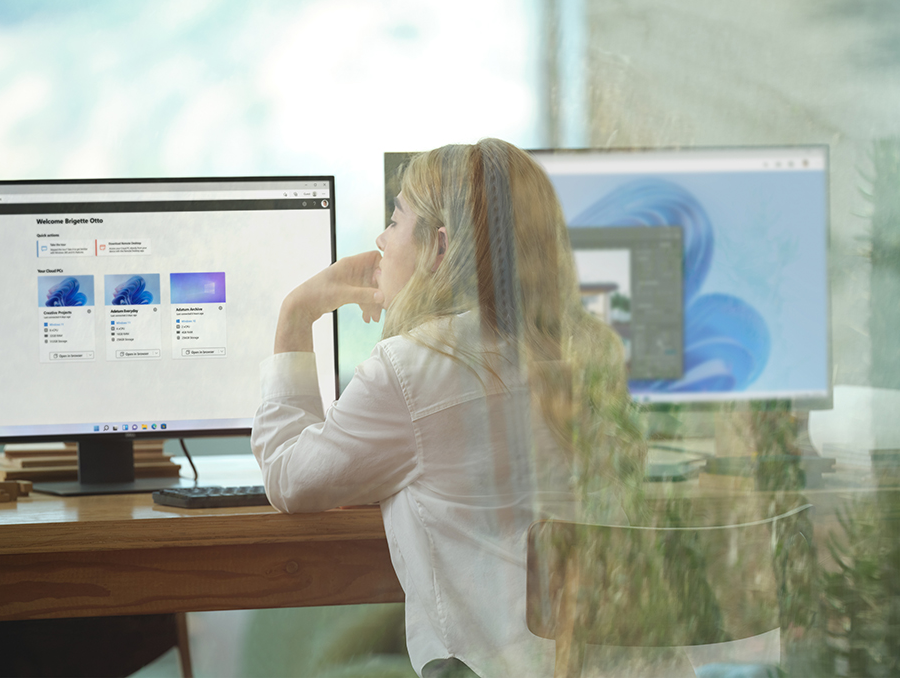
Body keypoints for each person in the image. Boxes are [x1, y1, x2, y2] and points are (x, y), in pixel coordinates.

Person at [252, 139, 638, 677]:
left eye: (394, 219)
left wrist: (296, 313)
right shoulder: (584, 350)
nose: (382, 240)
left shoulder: (413, 367)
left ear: (439, 248)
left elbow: (290, 479)